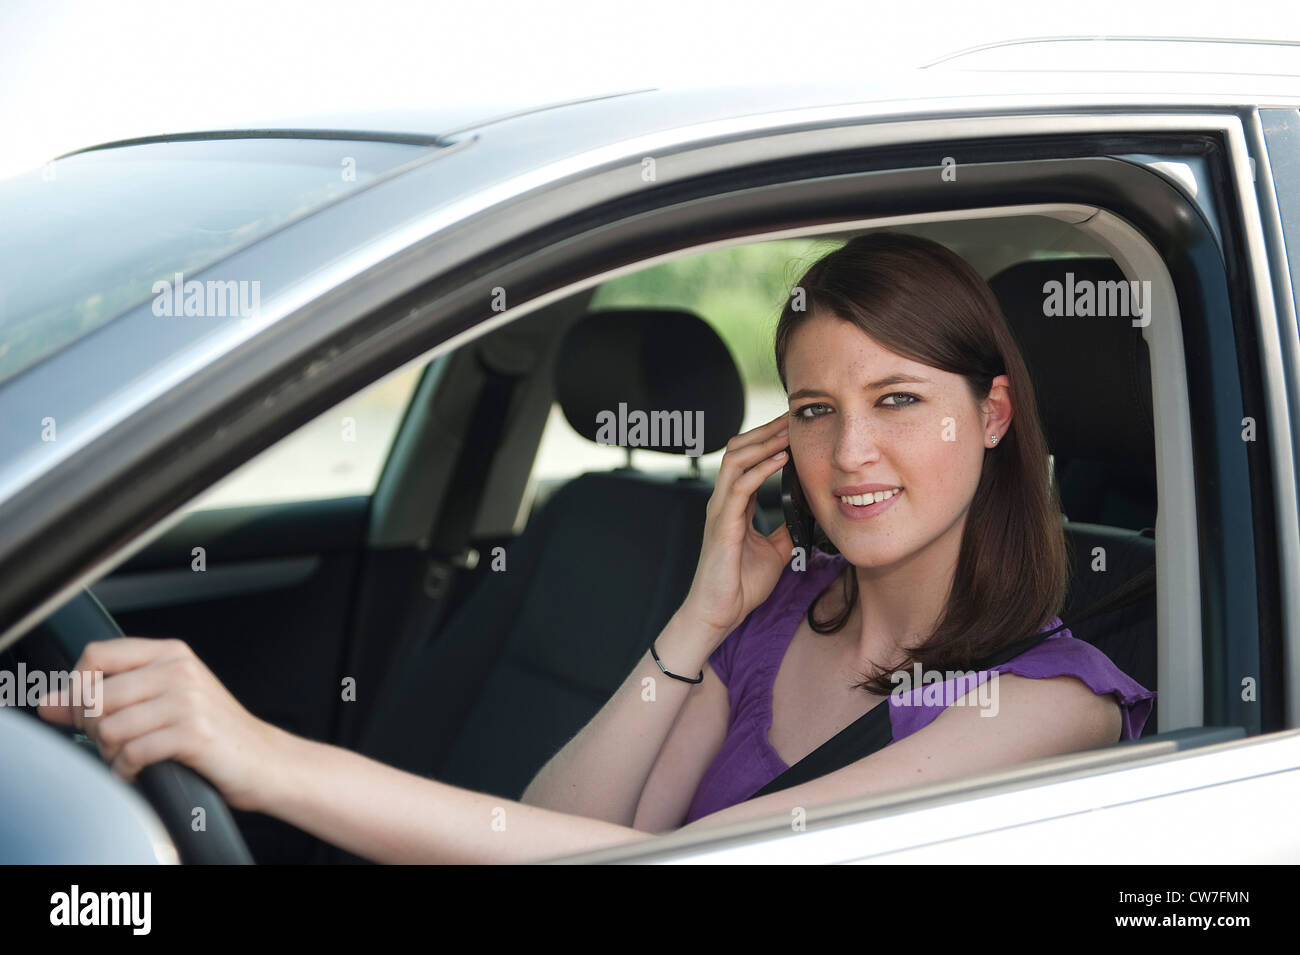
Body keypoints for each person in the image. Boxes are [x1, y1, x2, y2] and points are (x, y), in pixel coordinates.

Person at [39, 232, 1156, 864]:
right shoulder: (778, 615)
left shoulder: (1051, 703)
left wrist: (265, 758)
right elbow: (578, 822)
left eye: (899, 398)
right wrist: (700, 617)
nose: (850, 450)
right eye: (814, 408)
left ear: (995, 417)